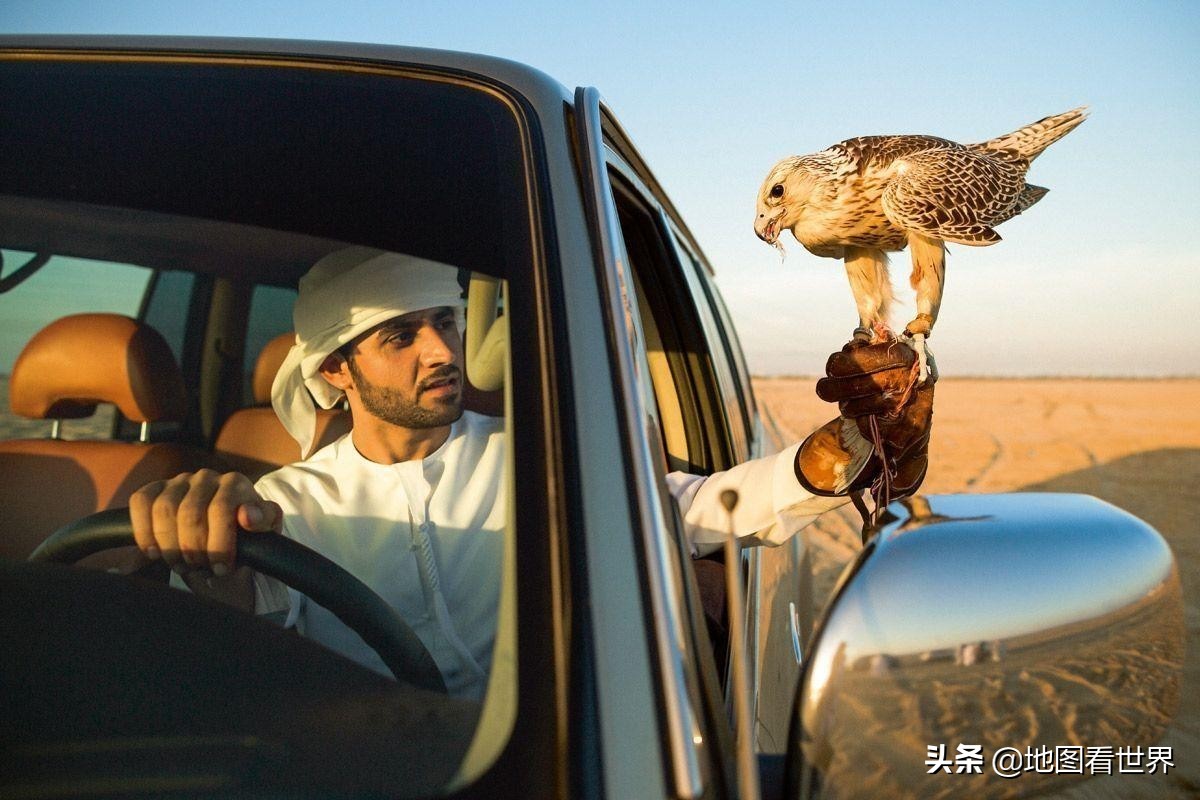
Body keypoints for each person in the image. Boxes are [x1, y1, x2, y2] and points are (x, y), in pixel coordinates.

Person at [130, 247, 933, 699]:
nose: (444, 352)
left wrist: (833, 453)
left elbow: (687, 508)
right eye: (401, 336)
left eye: (443, 322)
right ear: (338, 371)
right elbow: (230, 663)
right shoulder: (285, 507)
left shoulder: (535, 456)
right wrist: (204, 554)